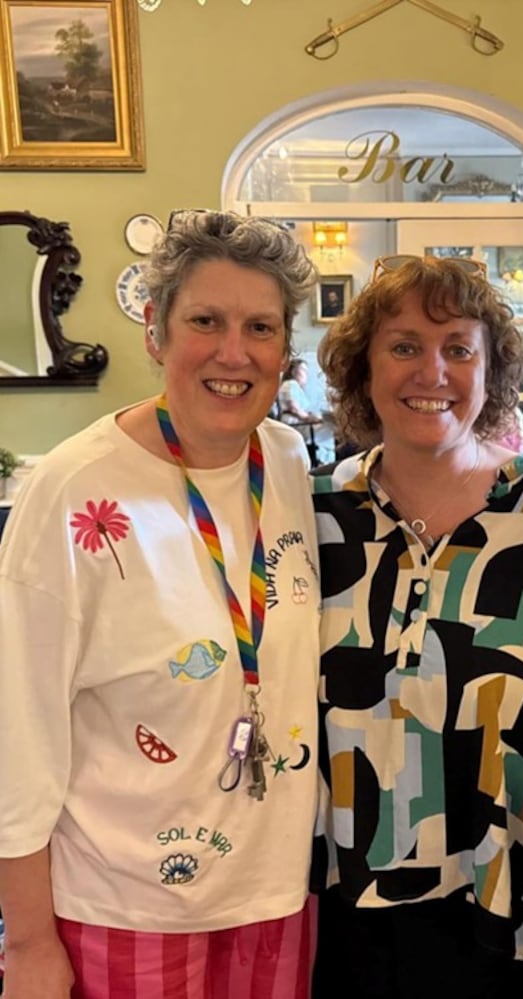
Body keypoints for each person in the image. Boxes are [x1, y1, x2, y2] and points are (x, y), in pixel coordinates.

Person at [0, 209, 322, 999]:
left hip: (275, 895)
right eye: (205, 321)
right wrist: (30, 940)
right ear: (156, 330)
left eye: (261, 327)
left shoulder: (285, 460)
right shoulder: (73, 491)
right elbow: (19, 735)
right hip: (123, 908)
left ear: (285, 351)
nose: (233, 352)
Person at [309, 254, 523, 999]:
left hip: (508, 897)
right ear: (364, 367)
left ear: (492, 370)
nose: (432, 371)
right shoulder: (310, 515)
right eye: (404, 345)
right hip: (336, 898)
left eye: (459, 348)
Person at [277, 358, 336, 465]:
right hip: (295, 424)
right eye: (303, 370)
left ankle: (324, 456)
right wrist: (309, 417)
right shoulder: (290, 384)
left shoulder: (293, 386)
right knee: (332, 425)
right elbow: (293, 407)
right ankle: (327, 459)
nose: (305, 374)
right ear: (293, 371)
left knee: (329, 423)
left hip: (297, 423)